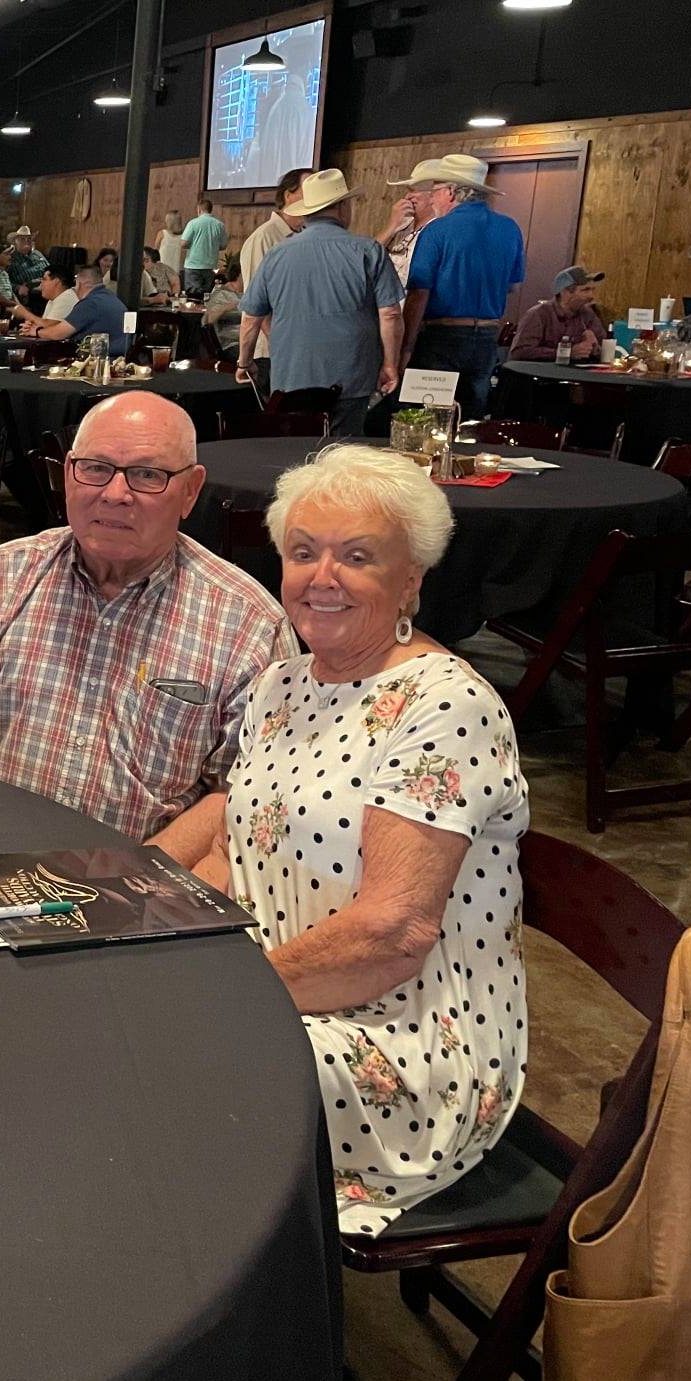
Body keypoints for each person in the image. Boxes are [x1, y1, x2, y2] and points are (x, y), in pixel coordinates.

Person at [148, 444, 527, 1236]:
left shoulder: (444, 707)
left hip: (398, 1043)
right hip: (286, 982)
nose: (322, 578)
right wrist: (134, 908)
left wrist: (218, 997)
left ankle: (221, 1316)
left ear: (412, 578)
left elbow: (393, 934)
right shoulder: (287, 682)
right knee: (102, 1009)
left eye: (357, 557)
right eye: (303, 552)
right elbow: (238, 841)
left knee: (142, 1072)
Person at [0, 392, 290, 837]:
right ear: (68, 473)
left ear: (190, 491)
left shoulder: (250, 626)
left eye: (147, 475)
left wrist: (137, 879)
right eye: (96, 469)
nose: (115, 495)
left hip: (145, 885)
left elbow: (238, 794)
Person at [236, 170, 404, 436]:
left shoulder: (276, 254)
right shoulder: (368, 250)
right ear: (342, 207)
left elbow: (250, 319)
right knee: (344, 455)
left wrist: (244, 363)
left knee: (295, 454)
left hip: (290, 379)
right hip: (353, 376)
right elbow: (391, 314)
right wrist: (390, 365)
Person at [393, 154, 524, 415]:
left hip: (440, 339)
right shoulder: (510, 228)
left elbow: (419, 293)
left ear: (451, 192)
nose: (432, 198)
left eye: (435, 191)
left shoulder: (437, 230)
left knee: (426, 417)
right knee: (470, 419)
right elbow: (512, 286)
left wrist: (405, 347)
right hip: (487, 338)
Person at [237, 168, 308, 368]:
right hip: (272, 353)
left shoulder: (305, 235)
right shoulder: (264, 238)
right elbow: (257, 305)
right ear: (288, 195)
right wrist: (282, 349)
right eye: (309, 189)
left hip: (298, 349)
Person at [509, 266, 607, 363]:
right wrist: (566, 353)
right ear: (565, 292)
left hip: (573, 376)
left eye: (592, 290)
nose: (591, 296)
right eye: (585, 290)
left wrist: (596, 348)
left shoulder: (588, 315)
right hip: (540, 375)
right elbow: (519, 352)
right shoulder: (539, 314)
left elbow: (605, 349)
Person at [33, 265, 126, 355]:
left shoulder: (90, 304)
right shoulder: (110, 297)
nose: (74, 288)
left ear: (80, 284)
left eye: (75, 283)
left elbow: (58, 333)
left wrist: (37, 331)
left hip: (104, 360)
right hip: (120, 357)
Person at [178, 199, 228, 298]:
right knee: (207, 297)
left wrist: (194, 244)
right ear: (210, 210)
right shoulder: (219, 225)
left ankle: (193, 313)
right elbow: (223, 246)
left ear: (199, 209)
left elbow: (183, 243)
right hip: (210, 266)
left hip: (193, 265)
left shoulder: (193, 223)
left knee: (193, 297)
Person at [204, 254, 244, 360]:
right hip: (231, 344)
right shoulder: (221, 292)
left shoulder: (251, 292)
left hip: (250, 342)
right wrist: (226, 308)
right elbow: (207, 320)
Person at [12, 266, 77, 331]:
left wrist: (24, 313)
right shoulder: (54, 299)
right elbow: (44, 324)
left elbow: (48, 327)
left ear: (56, 282)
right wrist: (31, 325)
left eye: (44, 279)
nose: (41, 284)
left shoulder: (66, 297)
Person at [6, 227, 48, 303]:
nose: (26, 241)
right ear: (15, 242)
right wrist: (18, 287)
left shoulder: (38, 254)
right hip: (28, 295)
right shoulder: (10, 258)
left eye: (29, 239)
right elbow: (3, 281)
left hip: (46, 289)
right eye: (22, 239)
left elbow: (50, 270)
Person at [156, 209, 184, 278]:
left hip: (162, 267)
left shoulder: (162, 233)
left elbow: (156, 248)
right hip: (176, 268)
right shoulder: (183, 237)